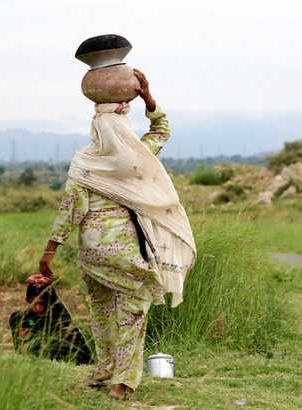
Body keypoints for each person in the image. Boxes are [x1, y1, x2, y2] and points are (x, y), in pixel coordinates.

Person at [39, 69, 196, 400]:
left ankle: (105, 369)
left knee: (101, 311)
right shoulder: (137, 159)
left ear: (96, 130)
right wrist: (149, 101)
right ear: (124, 132)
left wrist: (50, 252)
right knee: (132, 314)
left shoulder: (84, 163)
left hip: (92, 252)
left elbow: (70, 211)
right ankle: (120, 382)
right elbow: (161, 130)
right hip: (125, 252)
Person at [9, 274, 92, 365]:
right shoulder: (31, 316)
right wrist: (23, 341)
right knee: (16, 317)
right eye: (33, 303)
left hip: (73, 360)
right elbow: (26, 325)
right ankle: (22, 358)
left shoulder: (60, 316)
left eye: (42, 303)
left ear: (49, 302)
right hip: (40, 356)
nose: (37, 308)